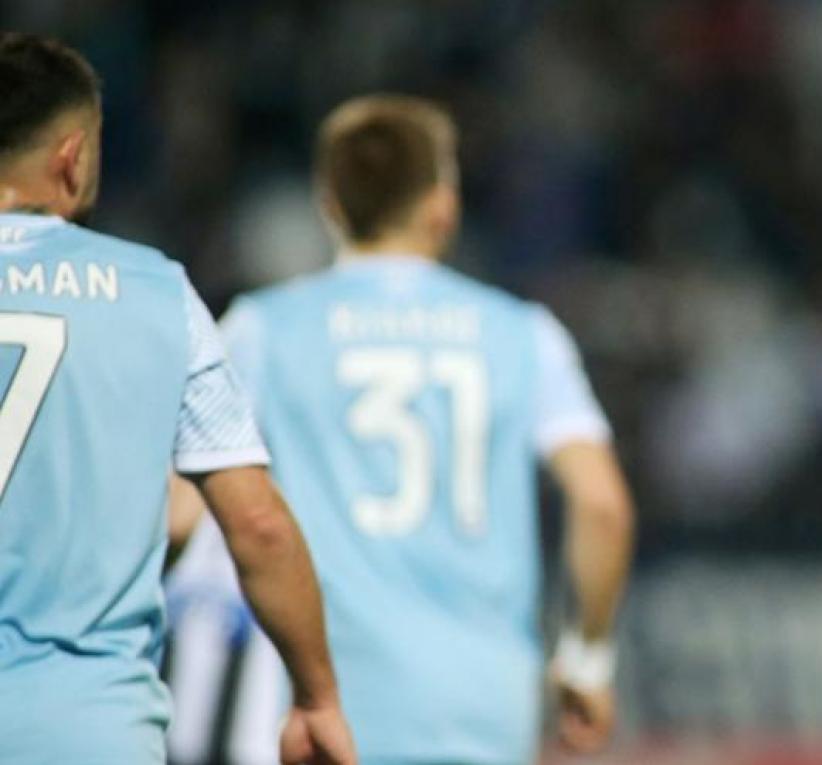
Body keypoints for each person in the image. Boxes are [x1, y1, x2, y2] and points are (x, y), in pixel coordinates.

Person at [171, 94, 635, 764]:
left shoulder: (264, 328)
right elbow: (602, 504)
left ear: (329, 204)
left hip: (339, 702)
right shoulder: (525, 334)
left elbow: (180, 514)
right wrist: (587, 659)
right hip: (488, 703)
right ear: (442, 205)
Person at [0, 33, 355, 764]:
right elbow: (257, 524)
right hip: (89, 727)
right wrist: (317, 696)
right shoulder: (157, 294)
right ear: (73, 156)